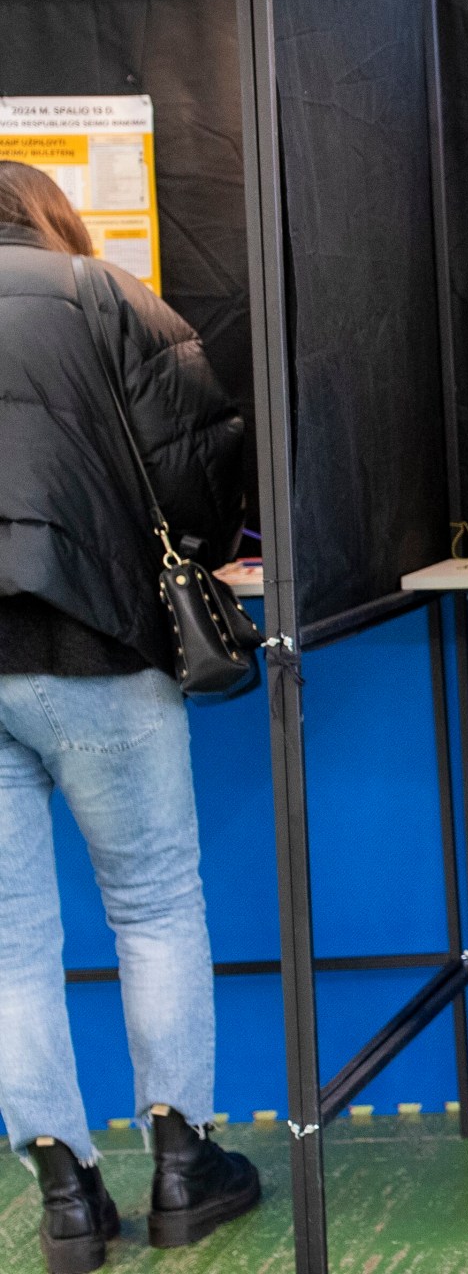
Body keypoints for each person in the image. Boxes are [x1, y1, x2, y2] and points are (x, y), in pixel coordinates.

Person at [0, 161, 261, 1274]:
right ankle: (182, 1166)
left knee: (10, 945)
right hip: (98, 641)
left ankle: (63, 1194)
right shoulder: (103, 295)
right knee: (153, 907)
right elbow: (203, 468)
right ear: (49, 217)